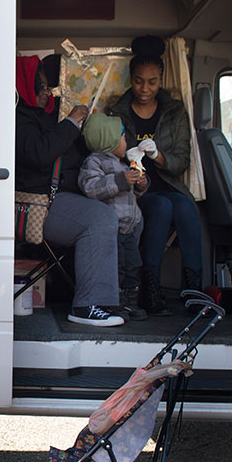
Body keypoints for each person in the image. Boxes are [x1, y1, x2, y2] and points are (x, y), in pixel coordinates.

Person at [15, 55, 125, 327]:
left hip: (60, 195)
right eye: (39, 86)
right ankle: (87, 306)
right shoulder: (19, 118)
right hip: (38, 202)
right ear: (22, 84)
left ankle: (120, 297)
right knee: (100, 218)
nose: (45, 91)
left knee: (120, 211)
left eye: (47, 86)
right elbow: (40, 154)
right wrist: (71, 123)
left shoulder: (48, 113)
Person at [106, 36, 203, 316]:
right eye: (138, 81)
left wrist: (156, 155)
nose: (144, 88)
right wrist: (131, 157)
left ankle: (195, 288)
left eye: (152, 82)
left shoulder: (174, 111)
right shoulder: (117, 111)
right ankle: (150, 288)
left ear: (160, 80)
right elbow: (107, 152)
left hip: (168, 183)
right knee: (161, 206)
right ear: (130, 79)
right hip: (135, 189)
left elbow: (181, 161)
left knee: (185, 207)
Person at [78, 112, 149, 321]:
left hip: (130, 228)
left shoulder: (123, 163)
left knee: (132, 267)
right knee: (114, 268)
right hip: (111, 229)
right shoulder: (94, 162)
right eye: (124, 138)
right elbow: (91, 188)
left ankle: (129, 302)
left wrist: (141, 184)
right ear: (108, 140)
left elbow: (131, 193)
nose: (126, 142)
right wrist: (121, 179)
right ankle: (111, 303)